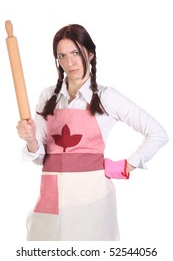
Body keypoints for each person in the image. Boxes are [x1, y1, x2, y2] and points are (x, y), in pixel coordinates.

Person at [16, 24, 168, 241]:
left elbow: (157, 133)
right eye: (62, 56)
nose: (69, 63)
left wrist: (126, 166)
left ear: (90, 53)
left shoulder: (106, 97)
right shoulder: (48, 97)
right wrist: (31, 139)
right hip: (51, 200)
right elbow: (41, 158)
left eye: (76, 53)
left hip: (92, 202)